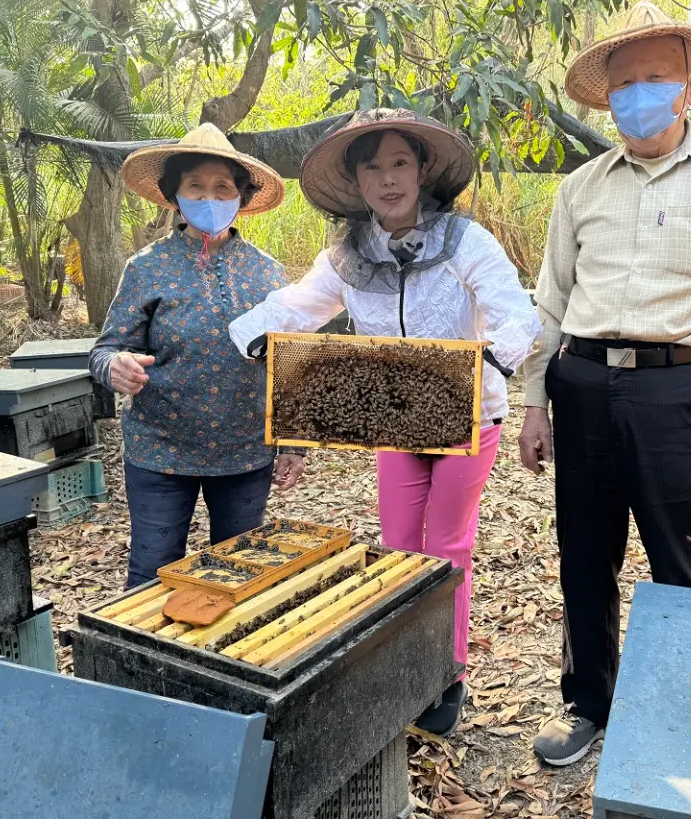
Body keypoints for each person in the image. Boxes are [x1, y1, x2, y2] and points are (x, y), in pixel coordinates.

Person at [519, 2, 691, 766]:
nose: (639, 95)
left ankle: (684, 717)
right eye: (624, 83)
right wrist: (534, 400)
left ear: (689, 88)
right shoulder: (582, 188)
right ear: (607, 97)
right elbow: (551, 301)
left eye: (655, 79)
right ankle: (589, 705)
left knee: (685, 560)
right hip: (583, 384)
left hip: (677, 393)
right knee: (584, 554)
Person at [229, 108, 541, 736]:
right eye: (372, 168)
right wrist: (256, 333)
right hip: (393, 419)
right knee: (399, 545)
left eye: (399, 163)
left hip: (465, 418)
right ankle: (403, 664)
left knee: (447, 545)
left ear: (423, 169)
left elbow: (514, 313)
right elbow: (299, 302)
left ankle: (447, 671)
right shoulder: (349, 253)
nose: (388, 179)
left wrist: (491, 365)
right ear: (356, 182)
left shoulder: (466, 241)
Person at [90, 123, 303, 589]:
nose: (209, 198)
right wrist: (115, 368)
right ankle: (143, 661)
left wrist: (293, 444)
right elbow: (105, 350)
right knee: (153, 574)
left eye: (222, 187)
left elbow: (290, 364)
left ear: (241, 196)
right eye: (195, 186)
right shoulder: (145, 267)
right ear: (175, 195)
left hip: (246, 453)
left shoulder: (269, 273)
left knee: (240, 576)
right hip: (159, 450)